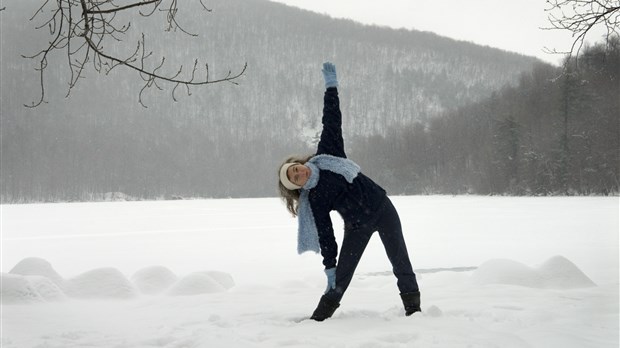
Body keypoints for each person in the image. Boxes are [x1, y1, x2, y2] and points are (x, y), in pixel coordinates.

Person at [277, 62, 421, 321]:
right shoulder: (315, 200)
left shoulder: (328, 154)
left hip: (383, 208)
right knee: (342, 276)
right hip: (357, 226)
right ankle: (319, 318)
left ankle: (414, 311)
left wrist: (331, 87)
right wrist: (329, 267)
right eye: (294, 178)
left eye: (295, 169)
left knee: (400, 262)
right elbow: (326, 234)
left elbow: (331, 119)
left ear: (299, 163)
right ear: (297, 187)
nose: (299, 174)